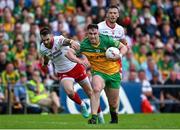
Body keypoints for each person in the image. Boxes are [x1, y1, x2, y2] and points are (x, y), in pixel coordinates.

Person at [66, 24, 127, 124]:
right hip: (98, 72)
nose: (93, 36)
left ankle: (114, 119)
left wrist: (119, 55)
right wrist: (79, 60)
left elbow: (124, 47)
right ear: (87, 34)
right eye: (90, 34)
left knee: (113, 103)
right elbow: (68, 53)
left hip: (113, 73)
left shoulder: (107, 40)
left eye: (95, 33)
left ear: (98, 33)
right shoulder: (84, 44)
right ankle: (94, 118)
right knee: (96, 89)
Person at [39, 27, 94, 117]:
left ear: (52, 36)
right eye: (43, 40)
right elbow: (46, 56)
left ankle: (99, 115)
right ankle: (82, 105)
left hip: (75, 67)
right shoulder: (42, 48)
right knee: (70, 92)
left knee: (90, 93)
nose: (46, 42)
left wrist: (72, 42)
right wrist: (45, 63)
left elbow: (66, 41)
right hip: (63, 72)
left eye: (47, 39)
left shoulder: (58, 40)